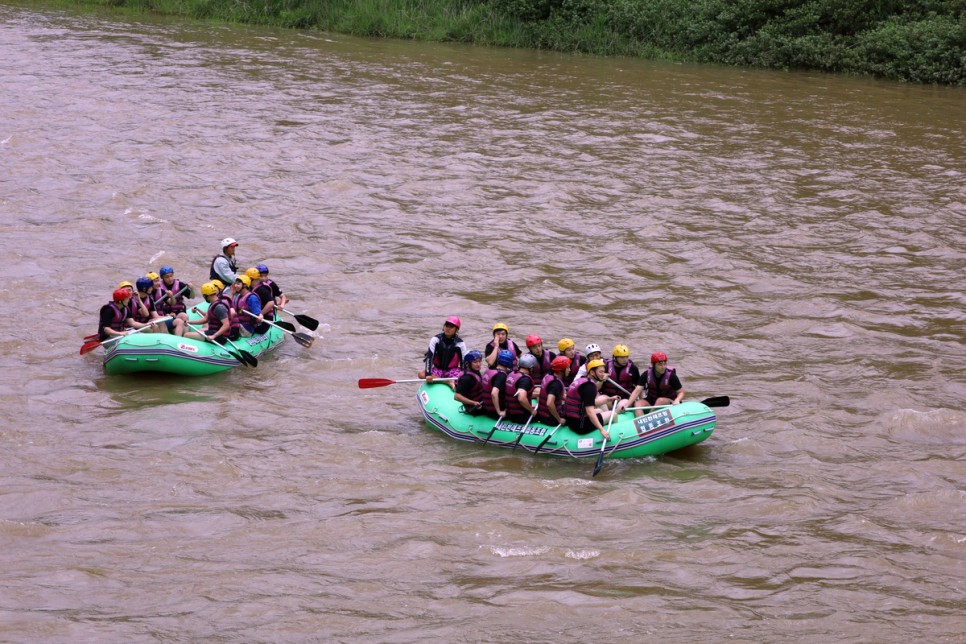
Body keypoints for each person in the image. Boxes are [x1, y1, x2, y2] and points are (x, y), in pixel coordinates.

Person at [562, 358, 620, 439]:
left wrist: (609, 399)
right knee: (613, 414)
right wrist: (602, 430)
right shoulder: (589, 387)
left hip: (571, 420)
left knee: (599, 410)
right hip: (580, 425)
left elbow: (591, 402)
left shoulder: (581, 381)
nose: (603, 374)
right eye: (600, 372)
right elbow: (590, 412)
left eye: (603, 371)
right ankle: (616, 435)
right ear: (592, 372)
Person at [420, 316, 467, 390]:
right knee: (421, 374)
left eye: (451, 327)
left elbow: (464, 363)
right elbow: (429, 357)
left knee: (465, 379)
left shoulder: (460, 344)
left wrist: (464, 377)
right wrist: (428, 374)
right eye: (446, 325)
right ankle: (447, 382)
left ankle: (448, 382)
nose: (448, 328)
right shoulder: (436, 340)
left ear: (456, 330)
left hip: (452, 371)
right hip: (438, 370)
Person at [601, 344, 640, 411]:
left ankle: (613, 415)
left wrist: (640, 400)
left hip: (625, 398)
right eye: (622, 358)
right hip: (609, 397)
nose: (625, 360)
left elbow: (639, 387)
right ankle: (605, 416)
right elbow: (597, 387)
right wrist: (601, 380)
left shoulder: (633, 368)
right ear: (615, 358)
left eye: (626, 357)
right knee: (601, 401)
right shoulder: (606, 367)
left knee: (620, 406)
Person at [480, 349, 515, 420]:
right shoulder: (501, 375)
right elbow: (494, 393)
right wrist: (499, 412)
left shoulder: (489, 370)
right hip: (495, 412)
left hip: (487, 408)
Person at [536, 355, 571, 426]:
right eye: (568, 368)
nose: (569, 370)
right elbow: (549, 403)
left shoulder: (548, 376)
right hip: (551, 419)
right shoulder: (556, 384)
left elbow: (560, 396)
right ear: (561, 370)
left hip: (542, 415)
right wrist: (559, 419)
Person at [503, 353, 538, 424]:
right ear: (530, 368)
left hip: (510, 413)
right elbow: (521, 398)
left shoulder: (512, 374)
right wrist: (531, 410)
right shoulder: (525, 380)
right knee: (542, 413)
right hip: (522, 416)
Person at [453, 350, 486, 415]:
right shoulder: (466, 378)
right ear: (468, 364)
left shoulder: (475, 371)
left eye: (479, 361)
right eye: (475, 362)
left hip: (482, 402)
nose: (478, 364)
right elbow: (456, 396)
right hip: (474, 407)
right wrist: (474, 403)